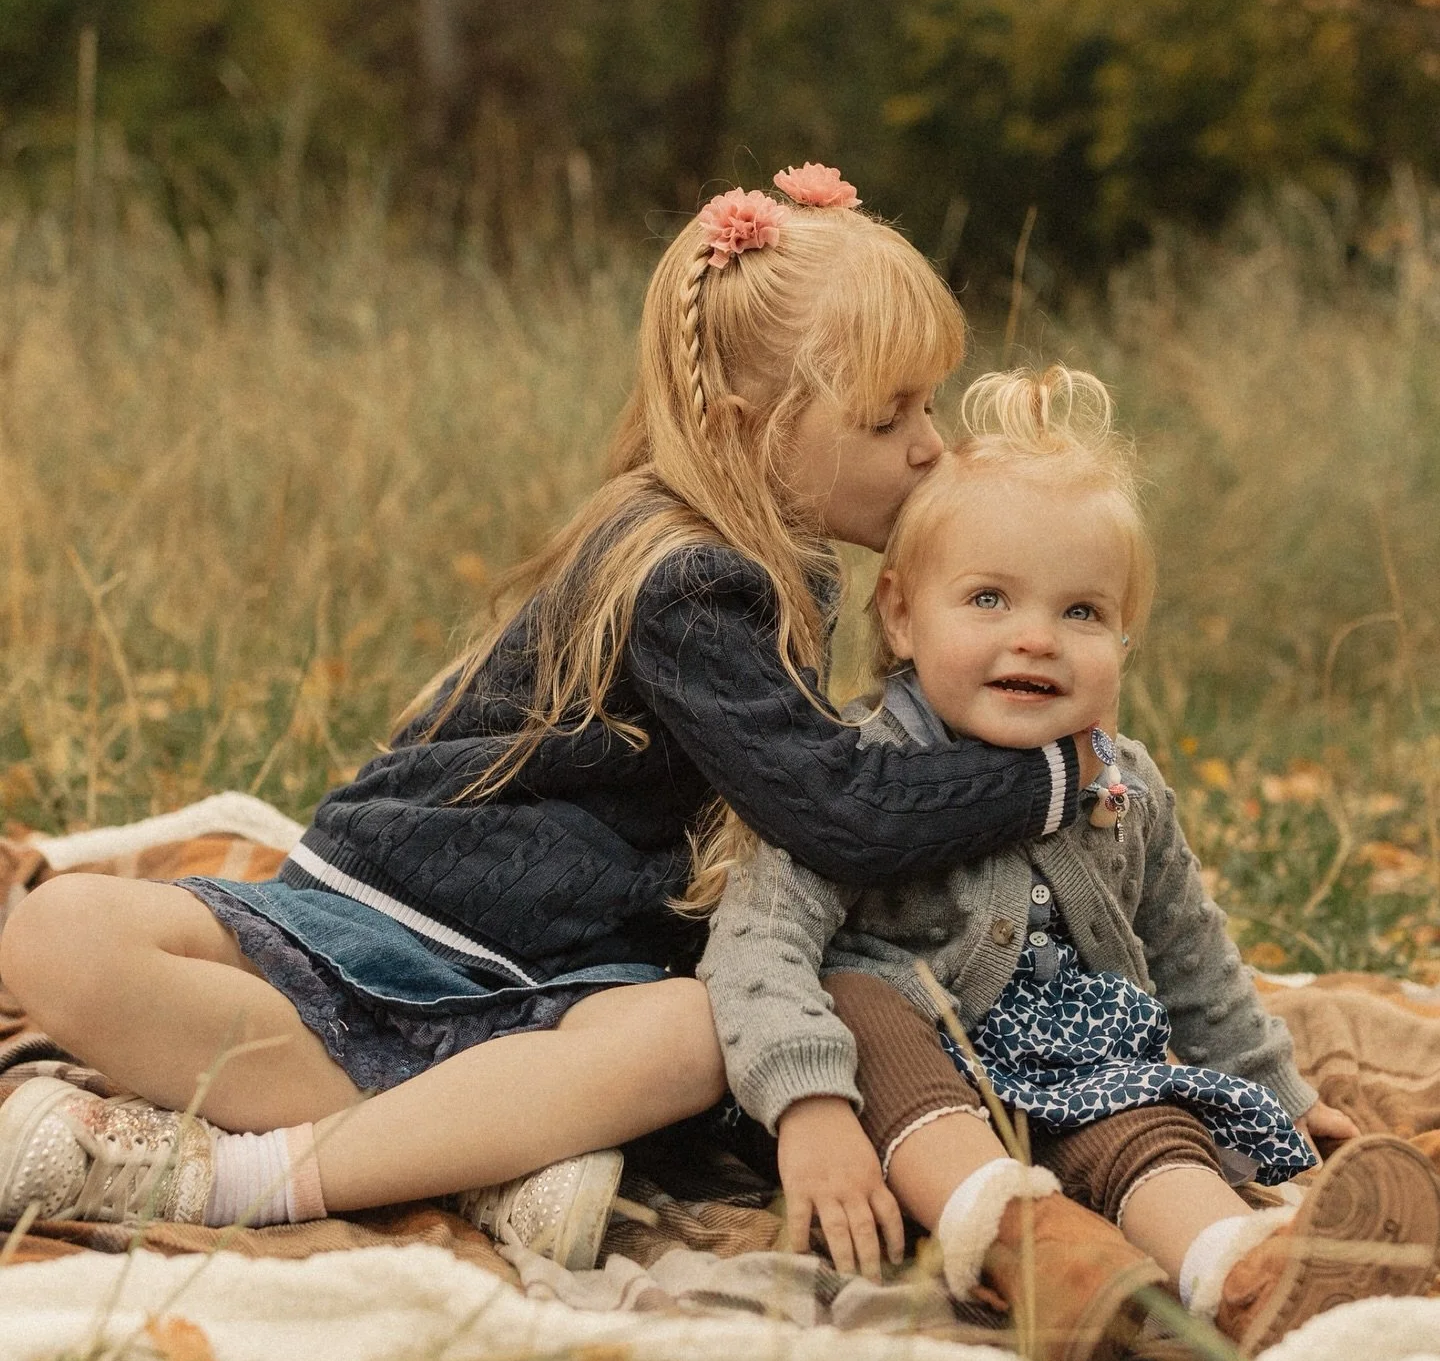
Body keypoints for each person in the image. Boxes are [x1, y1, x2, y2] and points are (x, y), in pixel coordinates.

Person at [0, 168, 1103, 1267]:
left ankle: (403, 1152)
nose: (928, 447)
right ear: (746, 429)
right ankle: (333, 1172)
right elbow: (840, 812)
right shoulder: (689, 577)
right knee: (60, 930)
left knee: (691, 1037)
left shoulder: (781, 565)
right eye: (887, 418)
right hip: (401, 918)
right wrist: (1055, 778)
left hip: (563, 975)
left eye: (927, 408)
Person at [701, 365, 1440, 1361]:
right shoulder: (860, 774)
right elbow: (757, 935)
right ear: (904, 617)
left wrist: (1278, 1088)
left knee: (1149, 1124)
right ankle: (1028, 1249)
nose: (1036, 638)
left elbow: (1189, 951)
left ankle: (1242, 1272)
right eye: (991, 598)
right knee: (860, 996)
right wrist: (806, 1103)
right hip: (909, 1093)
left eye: (1082, 613)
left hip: (1080, 1072)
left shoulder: (1122, 784)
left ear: (1125, 640)